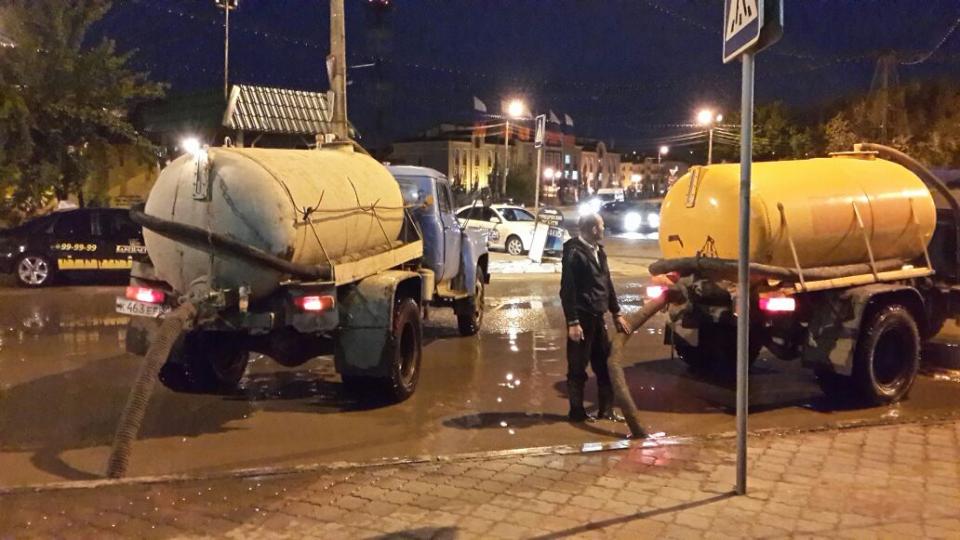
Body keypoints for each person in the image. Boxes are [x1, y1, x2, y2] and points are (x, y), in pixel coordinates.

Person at [560, 213, 629, 423]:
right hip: (582, 318)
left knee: (604, 365)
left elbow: (607, 283)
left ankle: (606, 410)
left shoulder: (599, 251)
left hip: (598, 317)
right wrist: (573, 322)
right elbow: (567, 290)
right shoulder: (574, 254)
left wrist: (616, 312)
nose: (604, 229)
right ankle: (577, 412)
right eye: (602, 226)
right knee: (577, 367)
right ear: (593, 229)